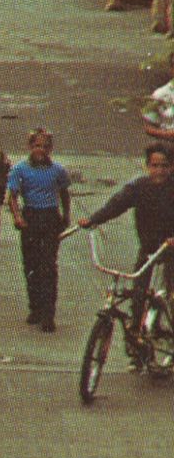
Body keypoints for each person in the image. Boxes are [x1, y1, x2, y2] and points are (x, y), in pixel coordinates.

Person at [76, 141, 174, 352]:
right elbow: (116, 205)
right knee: (138, 293)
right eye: (154, 165)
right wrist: (93, 220)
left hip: (171, 249)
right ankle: (136, 337)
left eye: (164, 166)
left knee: (172, 295)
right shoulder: (139, 187)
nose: (159, 171)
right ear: (147, 166)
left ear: (171, 167)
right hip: (149, 249)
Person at [7, 128, 71, 331]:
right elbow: (12, 197)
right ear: (30, 147)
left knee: (49, 266)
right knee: (31, 265)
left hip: (50, 217)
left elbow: (64, 193)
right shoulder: (20, 170)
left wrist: (65, 216)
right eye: (37, 146)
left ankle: (48, 313)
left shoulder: (58, 170)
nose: (40, 150)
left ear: (50, 149)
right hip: (31, 217)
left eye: (45, 146)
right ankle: (35, 307)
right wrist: (18, 217)